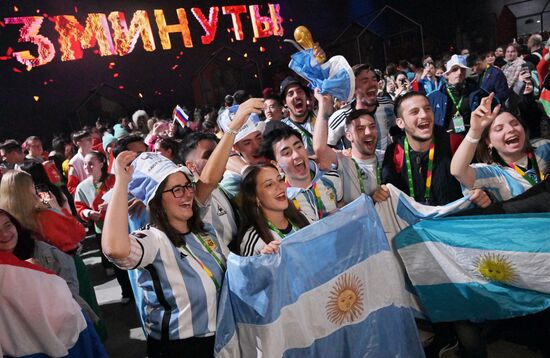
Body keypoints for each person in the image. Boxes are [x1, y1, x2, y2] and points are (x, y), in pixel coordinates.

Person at [102, 100, 263, 357]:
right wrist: (122, 181)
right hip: (180, 349)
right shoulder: (154, 241)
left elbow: (209, 178)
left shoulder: (203, 231)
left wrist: (233, 128)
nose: (186, 194)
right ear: (157, 201)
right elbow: (116, 249)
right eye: (175, 190)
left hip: (222, 339)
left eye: (187, 186)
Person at [382, 92, 491, 207]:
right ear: (400, 123)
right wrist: (380, 194)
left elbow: (483, 183)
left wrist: (484, 194)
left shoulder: (456, 144)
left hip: (455, 221)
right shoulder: (394, 152)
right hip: (416, 224)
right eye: (414, 112)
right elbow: (389, 194)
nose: (424, 115)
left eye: (427, 109)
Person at [451, 93, 550, 202]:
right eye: (499, 129)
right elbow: (458, 171)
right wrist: (475, 130)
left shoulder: (544, 147)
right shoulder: (493, 173)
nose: (510, 129)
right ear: (488, 142)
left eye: (514, 123)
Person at [313, 89, 390, 204]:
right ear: (349, 136)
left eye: (372, 126)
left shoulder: (386, 158)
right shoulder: (344, 160)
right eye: (360, 129)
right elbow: (320, 149)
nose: (368, 132)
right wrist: (323, 106)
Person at [261, 126, 343, 223]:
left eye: (299, 147)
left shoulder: (331, 177)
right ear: (276, 164)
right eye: (287, 153)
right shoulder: (281, 199)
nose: (296, 155)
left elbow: (343, 211)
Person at [238, 164, 310, 256]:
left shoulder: (300, 216)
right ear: (255, 197)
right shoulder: (254, 241)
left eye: (280, 180)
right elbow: (249, 270)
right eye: (269, 185)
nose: (280, 187)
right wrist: (265, 263)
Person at [328, 64, 395, 159]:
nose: (372, 84)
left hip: (388, 167)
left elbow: (397, 131)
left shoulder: (388, 105)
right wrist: (343, 154)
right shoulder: (341, 116)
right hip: (359, 171)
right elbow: (328, 147)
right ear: (353, 88)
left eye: (374, 79)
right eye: (365, 81)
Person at [68, 129, 94, 195]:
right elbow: (72, 187)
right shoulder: (74, 163)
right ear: (77, 142)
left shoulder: (98, 154)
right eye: (88, 139)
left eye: (91, 138)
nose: (91, 141)